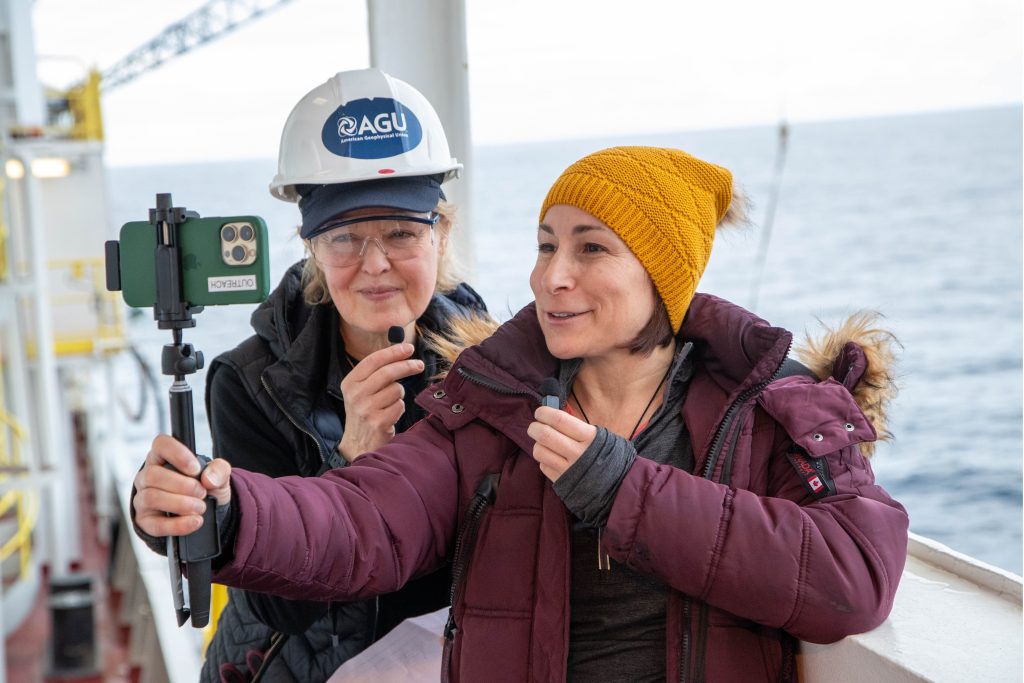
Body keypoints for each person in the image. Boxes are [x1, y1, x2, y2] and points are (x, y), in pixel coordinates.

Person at [134, 146, 909, 682]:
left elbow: (854, 574)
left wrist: (623, 488)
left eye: (591, 249)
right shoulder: (496, 404)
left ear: (663, 276)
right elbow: (368, 517)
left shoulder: (769, 406)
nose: (551, 276)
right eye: (544, 245)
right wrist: (229, 514)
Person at [195, 68, 491, 682]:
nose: (375, 264)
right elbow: (279, 604)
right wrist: (351, 462)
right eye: (345, 239)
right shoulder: (252, 383)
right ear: (310, 247)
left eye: (402, 234)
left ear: (443, 234)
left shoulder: (491, 359)